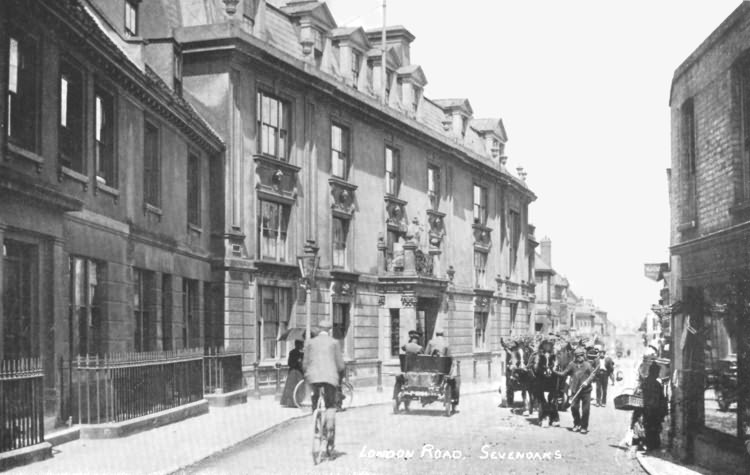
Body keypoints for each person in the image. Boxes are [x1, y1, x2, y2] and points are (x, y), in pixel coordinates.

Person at [303, 319, 345, 453]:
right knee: (330, 405)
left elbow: (305, 363)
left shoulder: (310, 342)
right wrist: (340, 376)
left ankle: (316, 422)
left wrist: (307, 373)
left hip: (313, 377)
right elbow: (340, 365)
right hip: (330, 378)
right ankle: (330, 436)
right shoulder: (334, 343)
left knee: (315, 400)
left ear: (318, 329)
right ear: (329, 330)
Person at [557, 347, 595, 434]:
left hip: (586, 390)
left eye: (581, 355)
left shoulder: (587, 365)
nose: (579, 357)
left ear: (584, 356)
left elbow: (592, 375)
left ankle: (584, 426)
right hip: (575, 390)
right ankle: (577, 424)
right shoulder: (572, 364)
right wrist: (554, 371)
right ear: (575, 356)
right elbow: (563, 373)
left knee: (585, 410)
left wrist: (587, 382)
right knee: (574, 408)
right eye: (577, 356)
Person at [426, 328, 459, 408]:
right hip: (442, 368)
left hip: (431, 367)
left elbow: (426, 354)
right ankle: (454, 398)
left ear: (436, 334)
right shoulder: (446, 343)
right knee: (453, 378)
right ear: (443, 335)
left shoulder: (430, 342)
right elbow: (449, 357)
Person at [641, 362, 667, 451]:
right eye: (657, 372)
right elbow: (661, 398)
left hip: (649, 409)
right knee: (653, 427)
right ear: (653, 372)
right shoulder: (655, 384)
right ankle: (652, 444)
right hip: (652, 409)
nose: (658, 374)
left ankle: (651, 444)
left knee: (651, 427)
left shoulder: (646, 382)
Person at [393, 330, 423, 402]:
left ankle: (395, 397)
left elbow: (402, 347)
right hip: (416, 370)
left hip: (407, 369)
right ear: (417, 340)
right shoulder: (419, 348)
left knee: (398, 381)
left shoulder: (406, 346)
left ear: (411, 339)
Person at [280, 340, 304, 407]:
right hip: (294, 372)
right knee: (291, 388)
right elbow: (290, 363)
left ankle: (299, 401)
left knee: (300, 387)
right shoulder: (292, 352)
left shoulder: (303, 353)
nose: (300, 346)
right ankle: (290, 402)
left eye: (301, 344)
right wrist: (297, 362)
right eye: (299, 344)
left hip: (300, 372)